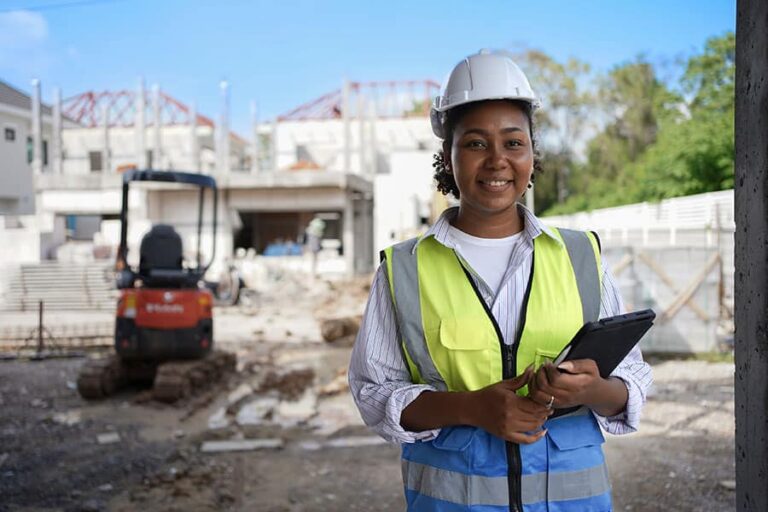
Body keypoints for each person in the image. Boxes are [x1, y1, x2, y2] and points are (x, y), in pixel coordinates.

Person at [349, 49, 652, 512]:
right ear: (447, 158)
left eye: (513, 143)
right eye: (474, 143)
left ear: (532, 154)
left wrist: (590, 390)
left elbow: (629, 384)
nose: (496, 160)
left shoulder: (580, 256)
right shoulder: (404, 269)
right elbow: (374, 395)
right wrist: (470, 408)